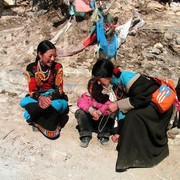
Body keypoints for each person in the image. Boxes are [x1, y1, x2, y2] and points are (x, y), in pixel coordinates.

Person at [92, 59, 174, 172]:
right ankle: (133, 153)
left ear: (106, 76)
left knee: (134, 117)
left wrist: (118, 104)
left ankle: (135, 158)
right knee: (131, 116)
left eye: (99, 79)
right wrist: (119, 132)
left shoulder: (126, 77)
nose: (98, 83)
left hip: (159, 108)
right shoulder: (116, 86)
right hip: (148, 105)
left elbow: (143, 97)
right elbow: (123, 109)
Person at [20, 40, 69, 140]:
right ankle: (51, 119)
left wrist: (47, 99)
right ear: (40, 54)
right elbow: (32, 91)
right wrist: (41, 98)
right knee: (24, 102)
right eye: (50, 56)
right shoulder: (31, 68)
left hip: (53, 98)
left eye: (54, 56)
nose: (53, 59)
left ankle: (36, 119)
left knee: (58, 105)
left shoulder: (58, 67)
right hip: (38, 98)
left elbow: (59, 90)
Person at [75, 77, 115, 148]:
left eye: (96, 89)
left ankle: (104, 135)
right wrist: (91, 111)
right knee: (79, 112)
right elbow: (80, 103)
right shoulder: (85, 96)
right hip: (89, 121)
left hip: (101, 123)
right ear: (88, 88)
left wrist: (99, 112)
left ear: (100, 89)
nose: (93, 91)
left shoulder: (104, 97)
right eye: (91, 89)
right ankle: (86, 135)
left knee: (111, 112)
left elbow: (108, 104)